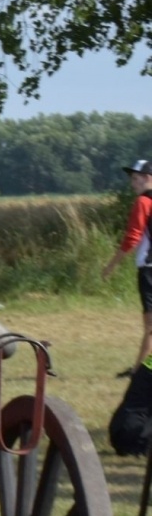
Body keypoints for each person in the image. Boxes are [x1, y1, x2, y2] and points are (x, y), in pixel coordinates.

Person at [101, 158, 152, 373]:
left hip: (149, 270)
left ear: (148, 178)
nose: (133, 183)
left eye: (136, 178)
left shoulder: (143, 202)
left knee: (150, 327)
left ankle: (139, 372)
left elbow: (132, 237)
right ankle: (143, 368)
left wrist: (111, 266)